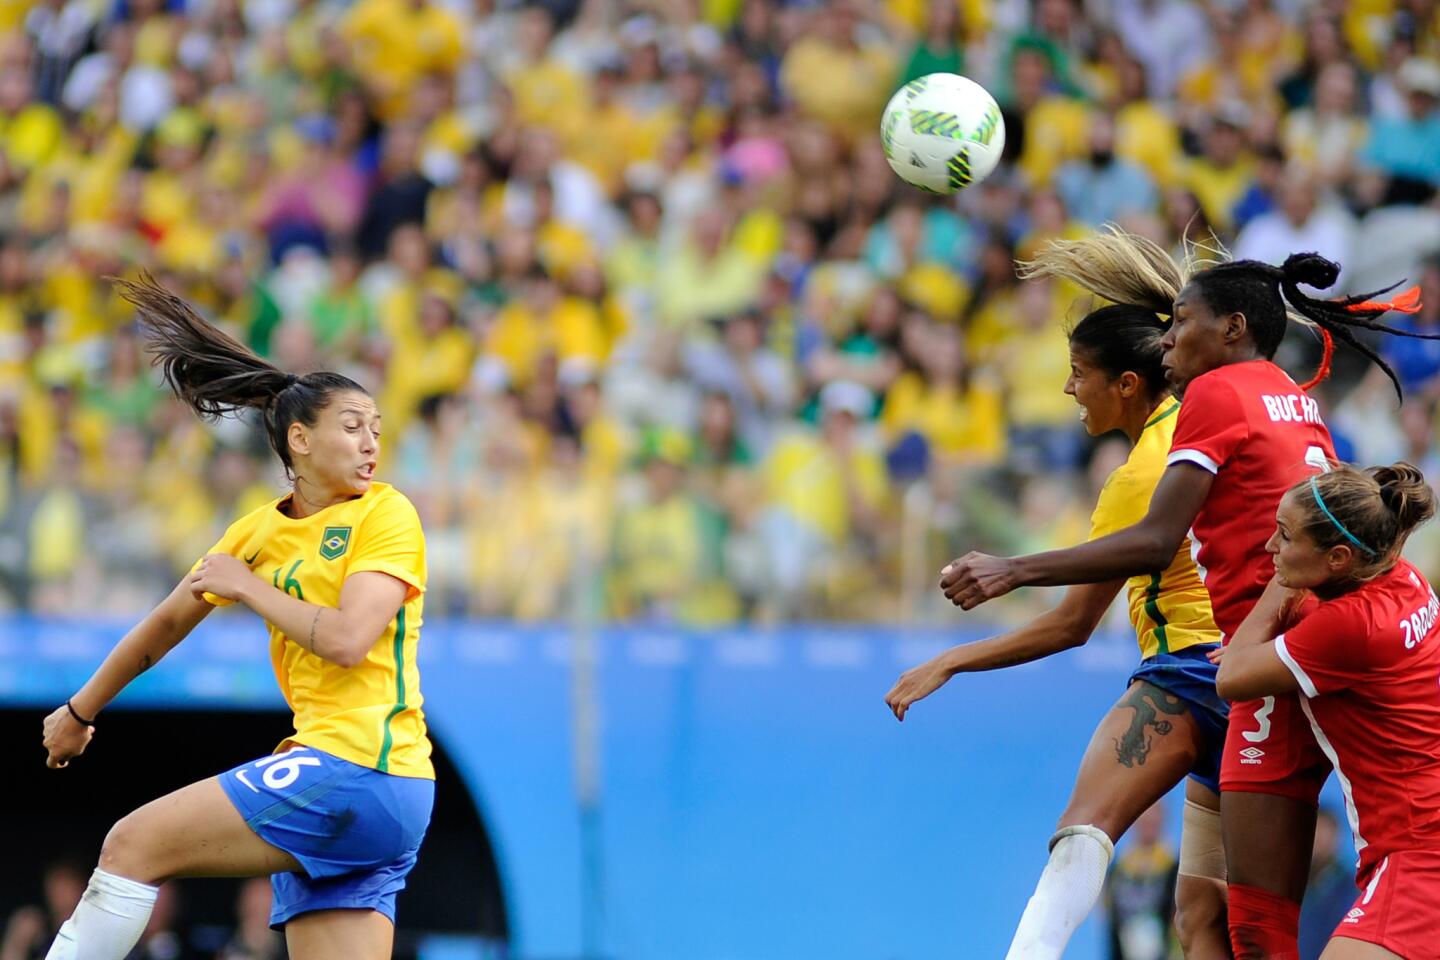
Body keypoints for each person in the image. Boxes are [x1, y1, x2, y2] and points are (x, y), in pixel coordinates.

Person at [939, 234, 1433, 959]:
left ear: (1232, 329)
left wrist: (1012, 569)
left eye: (1182, 322)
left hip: (1252, 667)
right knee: (1201, 907)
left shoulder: (1212, 395)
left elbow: (1154, 540)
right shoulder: (1294, 398)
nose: (1170, 341)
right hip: (1297, 645)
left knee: (1253, 929)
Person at [38, 275, 434, 960]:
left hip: (358, 767)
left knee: (131, 845)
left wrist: (249, 589)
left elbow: (345, 640)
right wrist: (80, 711)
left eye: (376, 427)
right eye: (353, 426)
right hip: (369, 794)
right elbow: (164, 626)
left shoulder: (386, 513)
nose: (372, 442)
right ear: (300, 440)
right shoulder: (254, 531)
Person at [886, 228, 1229, 958]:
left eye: (1080, 372)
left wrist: (954, 657)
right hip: (1257, 674)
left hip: (1189, 679)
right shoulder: (1211, 421)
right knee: (1214, 918)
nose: (1070, 388)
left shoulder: (1141, 476)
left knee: (1083, 832)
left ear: (1127, 384)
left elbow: (1074, 624)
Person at [1215, 463, 1440, 959]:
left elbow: (1230, 675)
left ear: (1339, 557)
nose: (1272, 549)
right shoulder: (1403, 579)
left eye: (1285, 537)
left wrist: (1280, 593)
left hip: (1419, 856)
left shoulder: (1349, 626)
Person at [1106, 803, 1180, 960]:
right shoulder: (1118, 869)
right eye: (1144, 820)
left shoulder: (1174, 867)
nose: (1148, 824)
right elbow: (1109, 918)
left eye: (1153, 819)